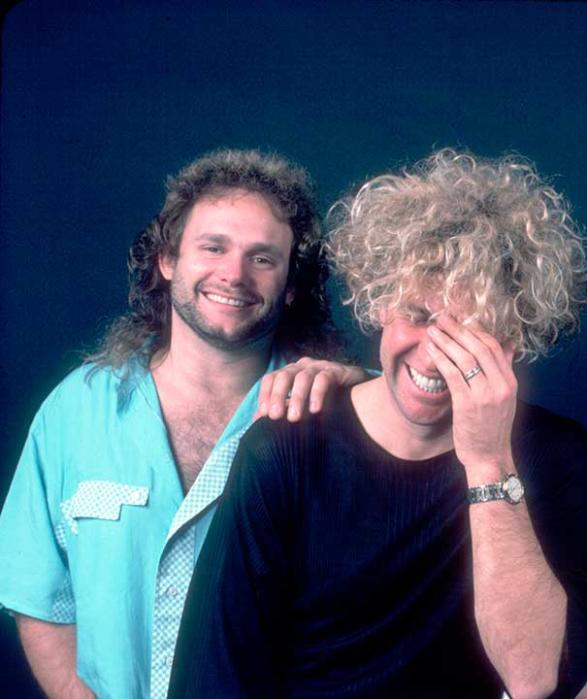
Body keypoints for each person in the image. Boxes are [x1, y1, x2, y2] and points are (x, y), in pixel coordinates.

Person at [168, 148, 587, 698]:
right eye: (420, 317)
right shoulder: (286, 448)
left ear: (512, 344)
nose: (434, 356)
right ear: (380, 304)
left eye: (469, 331)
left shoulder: (555, 455)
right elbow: (214, 676)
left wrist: (488, 461)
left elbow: (534, 679)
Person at [0, 149, 364, 699]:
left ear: (291, 284)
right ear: (168, 259)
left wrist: (360, 381)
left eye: (262, 258)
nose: (233, 274)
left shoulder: (338, 408)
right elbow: (41, 594)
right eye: (213, 247)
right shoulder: (74, 411)